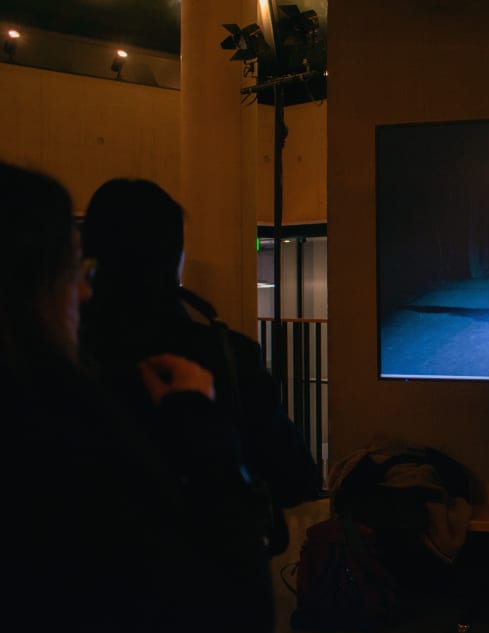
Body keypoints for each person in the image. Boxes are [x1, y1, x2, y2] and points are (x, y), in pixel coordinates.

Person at [0, 162, 273, 633]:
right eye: (71, 268)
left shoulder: (53, 396)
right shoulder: (66, 428)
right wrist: (206, 436)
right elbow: (237, 615)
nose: (82, 291)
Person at [79, 178, 321, 556]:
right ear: (174, 259)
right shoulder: (224, 355)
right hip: (204, 582)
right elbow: (295, 478)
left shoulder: (57, 355)